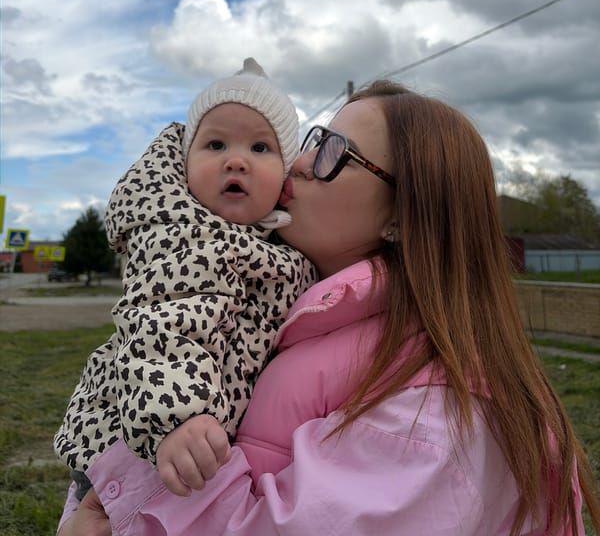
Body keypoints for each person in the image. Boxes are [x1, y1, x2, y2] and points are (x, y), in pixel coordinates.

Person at [58, 79, 600, 536]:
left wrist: (120, 500)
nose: (298, 163)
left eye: (335, 152)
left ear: (404, 218)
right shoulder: (304, 319)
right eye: (314, 140)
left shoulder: (433, 418)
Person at [53, 58, 316, 513]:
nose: (236, 159)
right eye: (215, 144)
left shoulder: (268, 244)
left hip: (189, 448)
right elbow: (163, 323)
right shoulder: (183, 234)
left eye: (260, 148)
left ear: (286, 175)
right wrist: (177, 415)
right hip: (139, 441)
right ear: (184, 161)